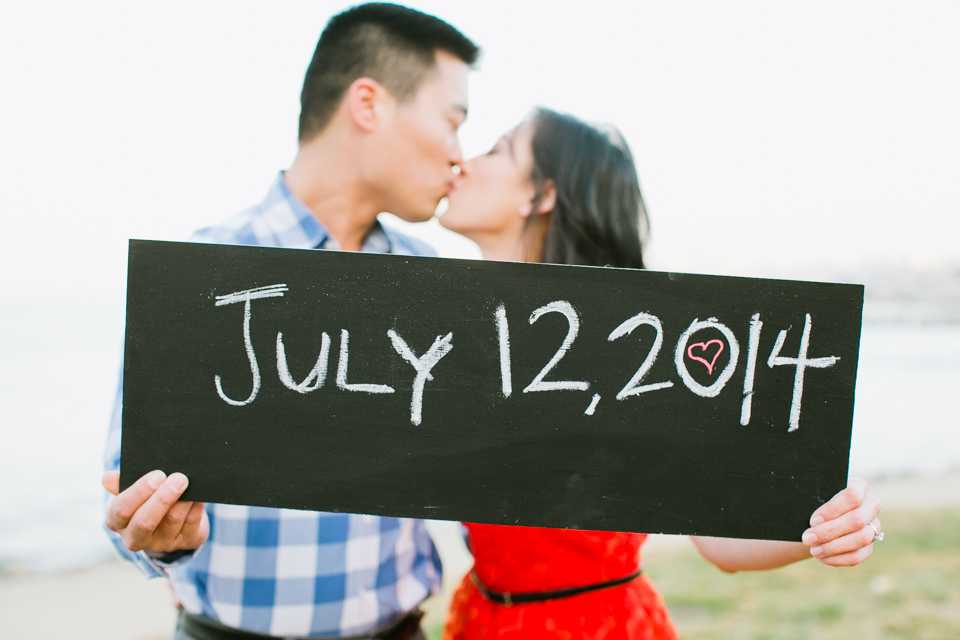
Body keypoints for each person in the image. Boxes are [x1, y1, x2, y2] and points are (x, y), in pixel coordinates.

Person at [101, 5, 479, 639]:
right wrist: (162, 535)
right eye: (453, 120)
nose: (459, 157)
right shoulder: (208, 274)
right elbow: (123, 495)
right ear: (369, 104)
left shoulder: (438, 284)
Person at [437, 108, 882, 639]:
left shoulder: (633, 347)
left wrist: (830, 524)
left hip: (592, 626)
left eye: (495, 150)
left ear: (541, 194)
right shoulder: (455, 335)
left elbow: (720, 543)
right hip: (482, 615)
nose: (463, 162)